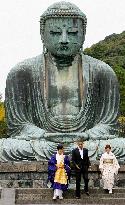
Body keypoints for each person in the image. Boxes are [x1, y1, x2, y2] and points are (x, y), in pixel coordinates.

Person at [1, 1, 122, 161]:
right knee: (6, 148)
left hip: (87, 143)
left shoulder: (102, 72)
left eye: (72, 32)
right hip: (42, 142)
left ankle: (72, 152)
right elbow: (18, 127)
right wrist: (44, 135)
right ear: (42, 34)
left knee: (119, 146)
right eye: (55, 33)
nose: (64, 40)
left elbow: (109, 125)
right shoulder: (22, 72)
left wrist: (86, 135)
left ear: (83, 34)